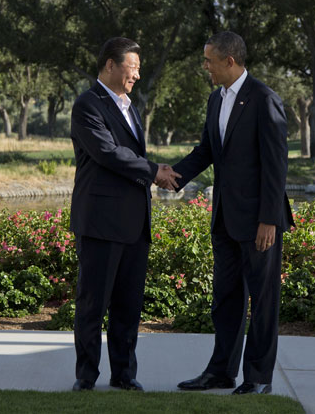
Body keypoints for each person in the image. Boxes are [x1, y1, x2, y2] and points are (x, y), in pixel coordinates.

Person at [172, 31, 294, 395]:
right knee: (225, 298)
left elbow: (276, 166)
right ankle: (221, 372)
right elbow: (207, 151)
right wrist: (170, 176)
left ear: (229, 61)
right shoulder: (216, 99)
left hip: (260, 222)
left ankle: (258, 378)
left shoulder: (264, 99)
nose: (205, 66)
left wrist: (269, 219)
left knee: (263, 300)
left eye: (209, 60)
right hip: (225, 219)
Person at [69, 37, 180, 392]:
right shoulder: (88, 104)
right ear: (110, 66)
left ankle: (124, 375)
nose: (137, 74)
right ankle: (86, 377)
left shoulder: (129, 106)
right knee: (92, 305)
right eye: (132, 67)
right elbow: (107, 153)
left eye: (138, 68)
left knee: (128, 307)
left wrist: (155, 172)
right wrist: (154, 171)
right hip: (101, 222)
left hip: (134, 224)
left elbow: (125, 155)